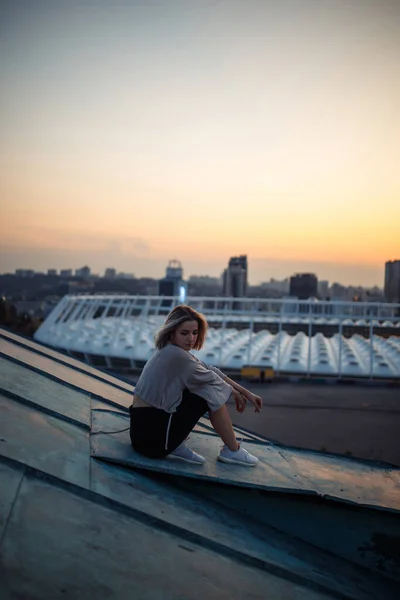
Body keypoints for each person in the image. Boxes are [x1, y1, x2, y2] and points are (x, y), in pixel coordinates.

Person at [129, 304, 263, 466]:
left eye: (194, 332)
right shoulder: (178, 357)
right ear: (171, 333)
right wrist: (235, 393)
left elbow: (209, 369)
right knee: (209, 393)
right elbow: (213, 381)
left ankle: (176, 443)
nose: (191, 338)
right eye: (184, 333)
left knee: (200, 388)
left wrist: (245, 392)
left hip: (140, 436)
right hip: (153, 443)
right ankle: (232, 450)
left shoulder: (169, 350)